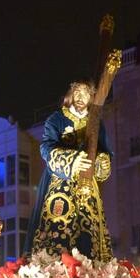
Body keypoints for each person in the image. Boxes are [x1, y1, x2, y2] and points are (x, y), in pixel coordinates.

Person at [26, 80, 114, 260]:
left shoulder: (96, 122)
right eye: (77, 92)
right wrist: (72, 160)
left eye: (86, 93)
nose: (81, 97)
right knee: (58, 229)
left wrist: (102, 162)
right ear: (70, 95)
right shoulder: (56, 119)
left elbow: (105, 150)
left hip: (87, 186)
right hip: (60, 184)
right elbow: (46, 148)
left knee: (89, 231)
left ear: (91, 97)